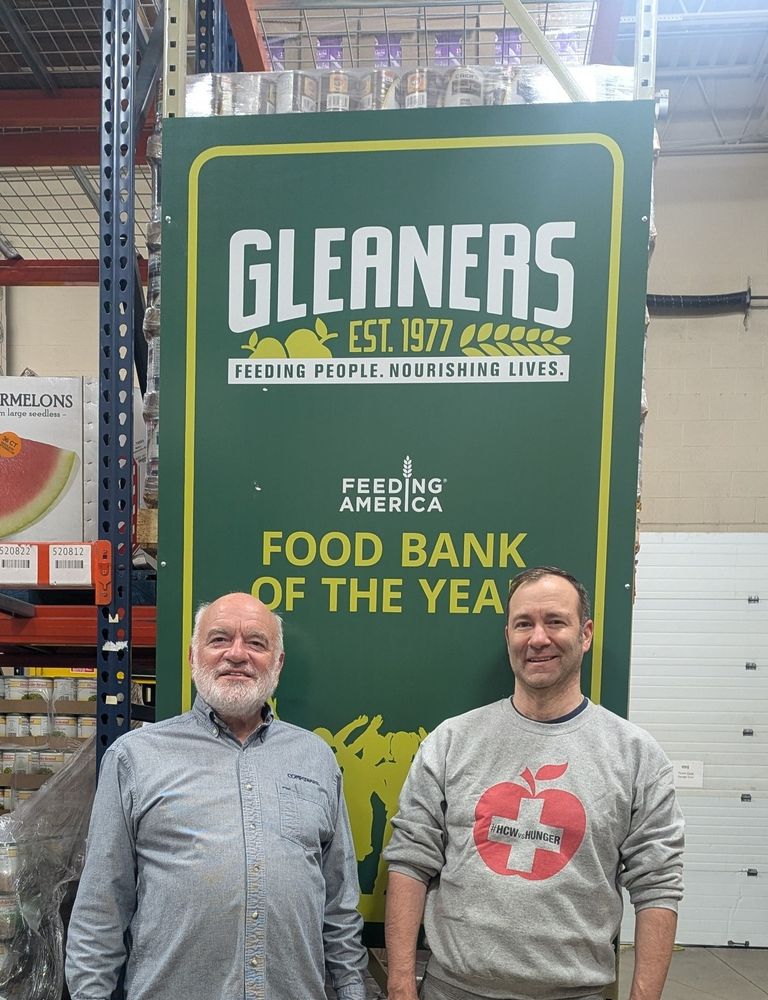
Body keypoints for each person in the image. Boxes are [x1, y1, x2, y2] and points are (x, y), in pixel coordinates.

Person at [384, 566, 684, 1000]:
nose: (538, 638)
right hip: (451, 990)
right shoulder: (451, 742)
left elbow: (658, 885)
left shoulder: (636, 755)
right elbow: (410, 860)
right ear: (508, 635)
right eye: (524, 623)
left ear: (585, 634)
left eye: (555, 621)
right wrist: (399, 986)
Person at [66, 592, 367, 1000]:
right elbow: (101, 908)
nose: (237, 654)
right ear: (193, 658)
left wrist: (352, 991)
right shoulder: (134, 758)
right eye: (220, 639)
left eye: (256, 643)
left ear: (277, 664)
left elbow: (339, 905)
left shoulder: (316, 758)